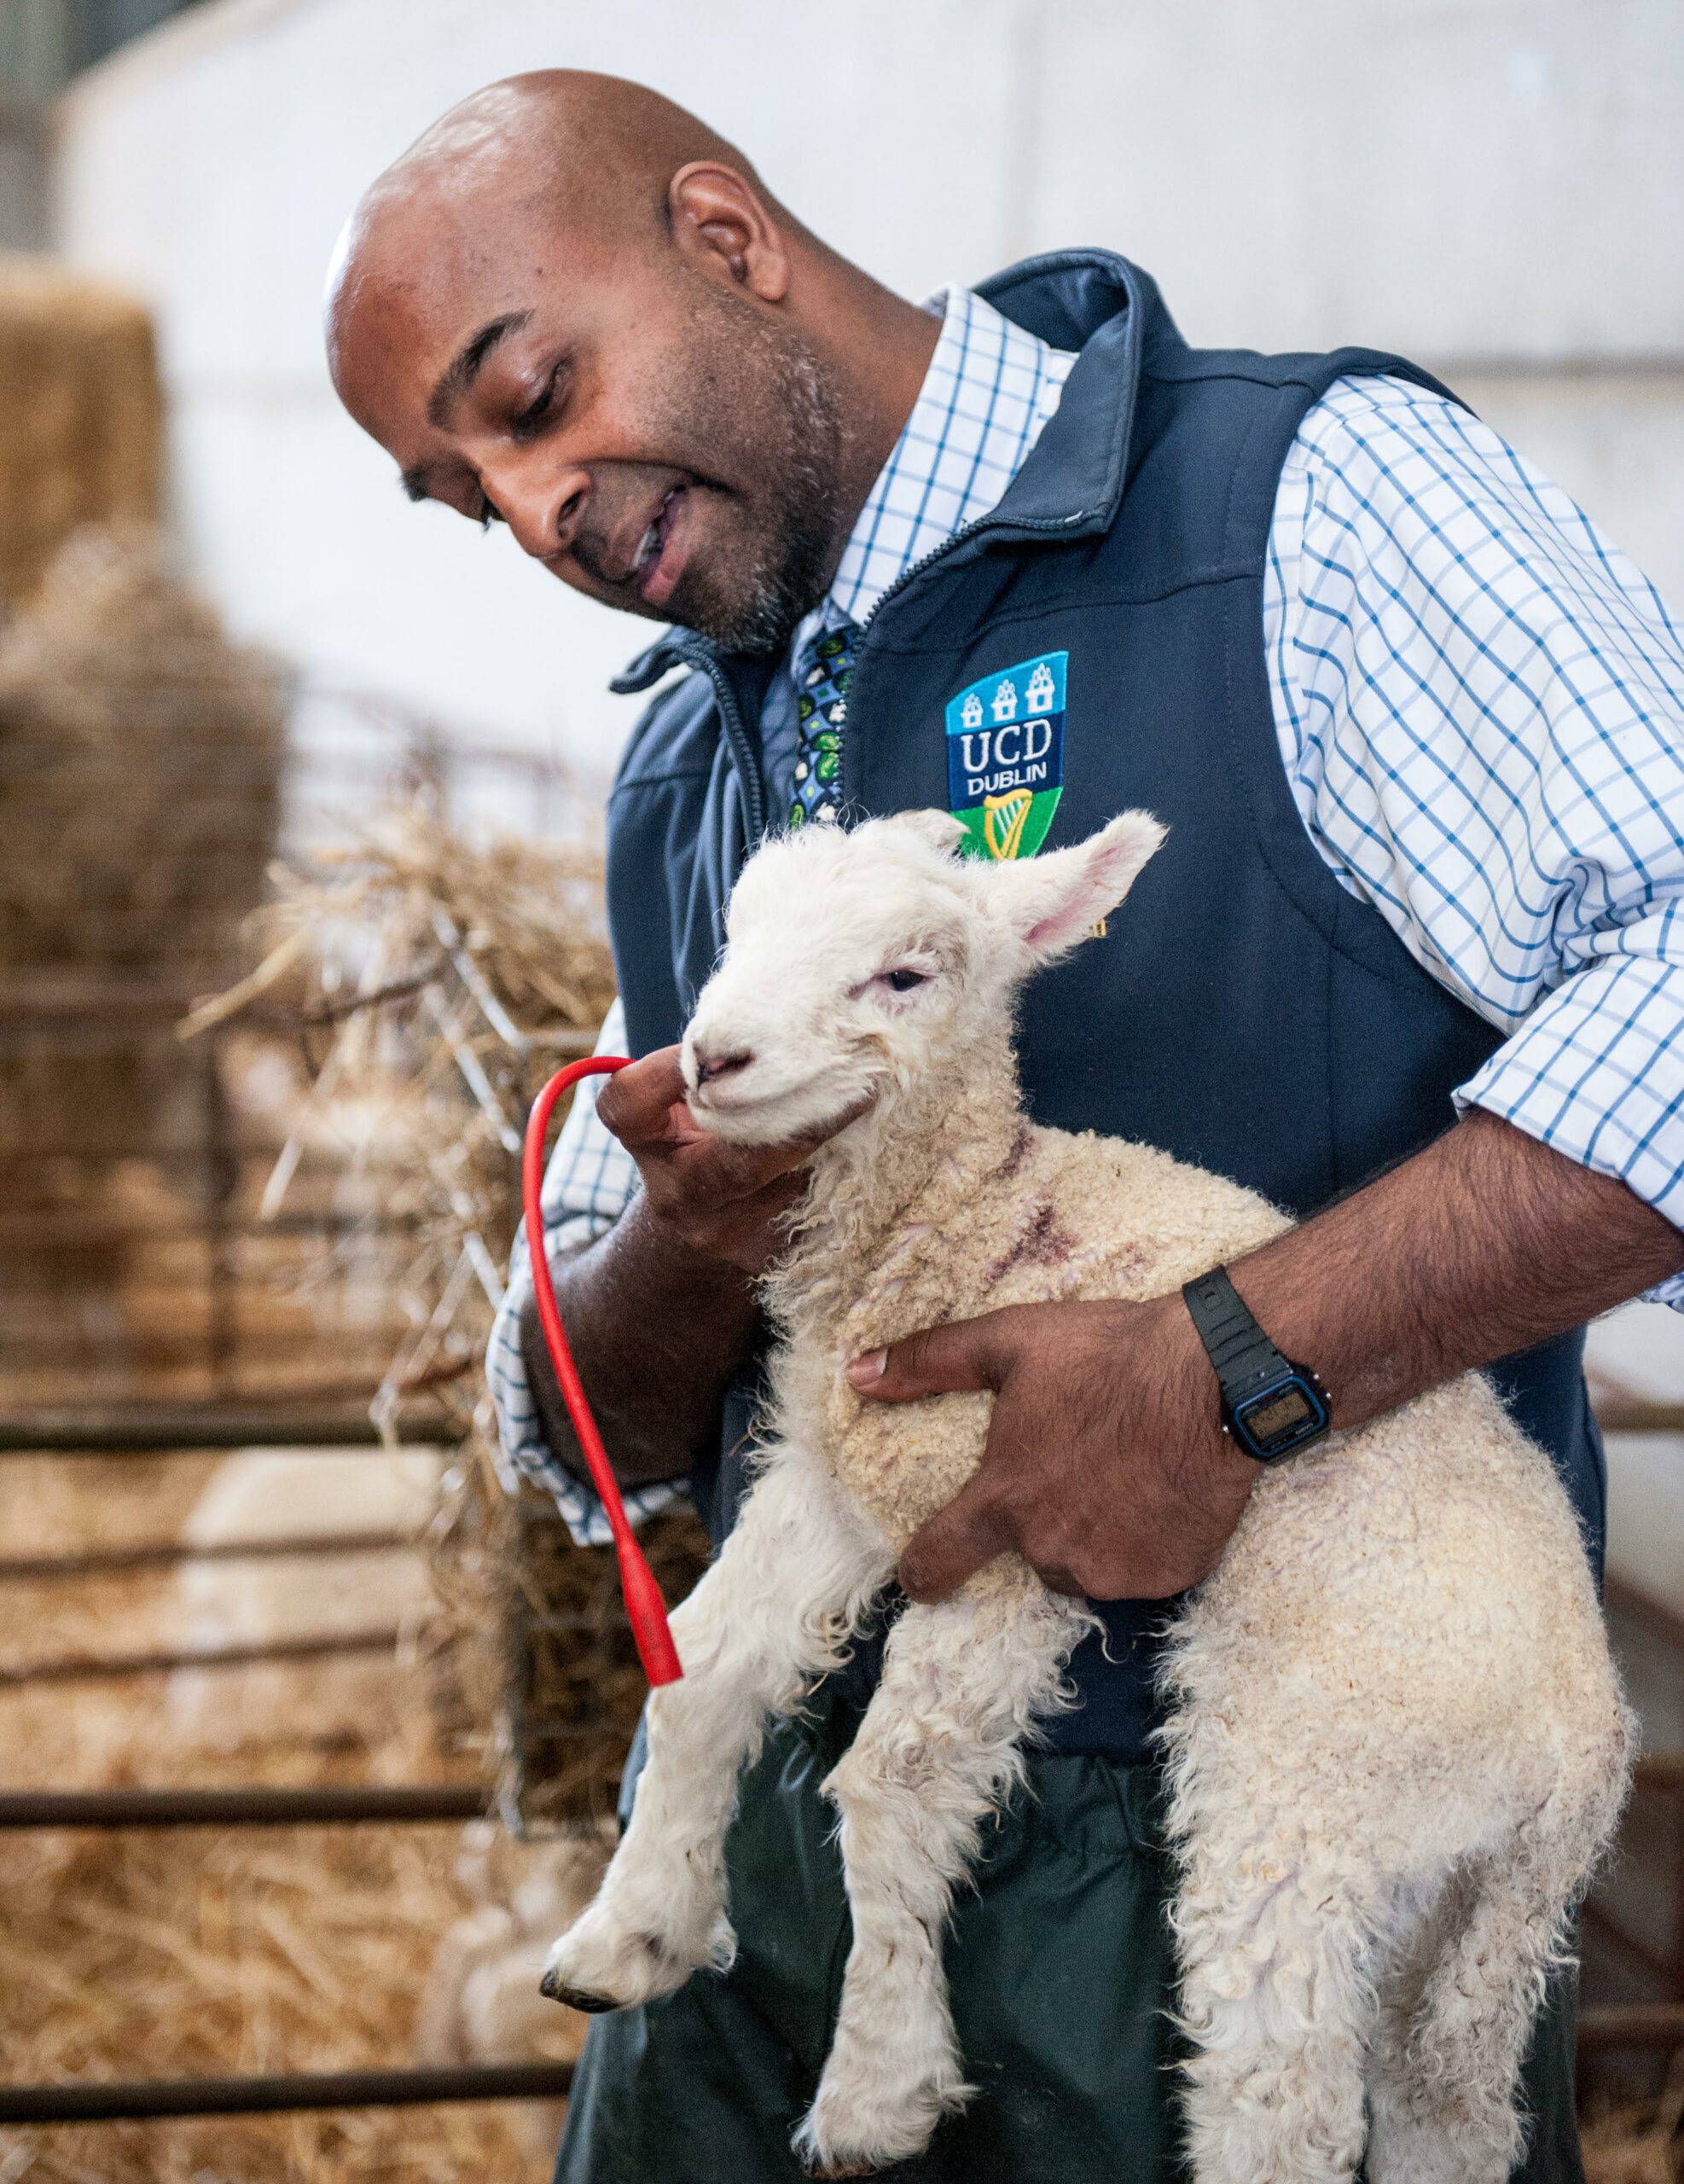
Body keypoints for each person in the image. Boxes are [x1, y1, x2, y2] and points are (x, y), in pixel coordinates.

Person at [328, 71, 1684, 2183]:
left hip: (1253, 1827)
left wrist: (1227, 1372)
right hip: (794, 1863)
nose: (532, 513)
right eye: (460, 493)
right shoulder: (692, 775)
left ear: (725, 236)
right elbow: (565, 1428)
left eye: (534, 393)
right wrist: (689, 1239)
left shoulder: (1297, 511)